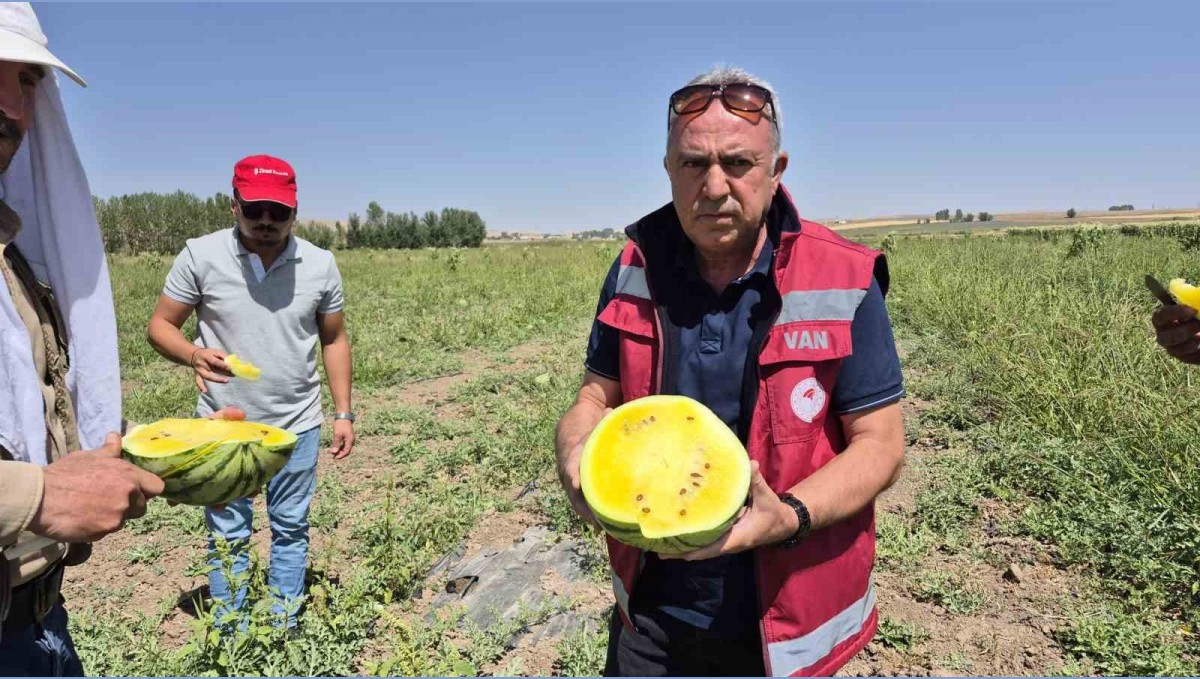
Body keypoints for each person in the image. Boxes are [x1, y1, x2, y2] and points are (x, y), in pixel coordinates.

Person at [554, 66, 906, 677]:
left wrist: (787, 516)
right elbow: (594, 395)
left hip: (785, 619)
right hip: (652, 614)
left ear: (777, 170)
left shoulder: (844, 277)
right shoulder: (633, 268)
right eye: (693, 164)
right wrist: (572, 449)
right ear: (668, 168)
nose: (714, 186)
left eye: (738, 163)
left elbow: (881, 444)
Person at [0, 4, 165, 673]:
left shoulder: (13, 260)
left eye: (29, 80)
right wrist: (38, 497)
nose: (11, 105)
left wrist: (172, 456)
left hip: (37, 620)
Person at [146, 154, 355, 629]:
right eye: (255, 208)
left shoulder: (320, 264)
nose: (266, 221)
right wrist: (192, 355)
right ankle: (230, 630)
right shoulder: (200, 256)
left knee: (291, 527)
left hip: (298, 422)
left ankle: (284, 623)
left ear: (294, 212)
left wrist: (344, 413)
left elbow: (334, 339)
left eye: (278, 212)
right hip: (225, 424)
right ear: (233, 205)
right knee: (227, 531)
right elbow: (161, 325)